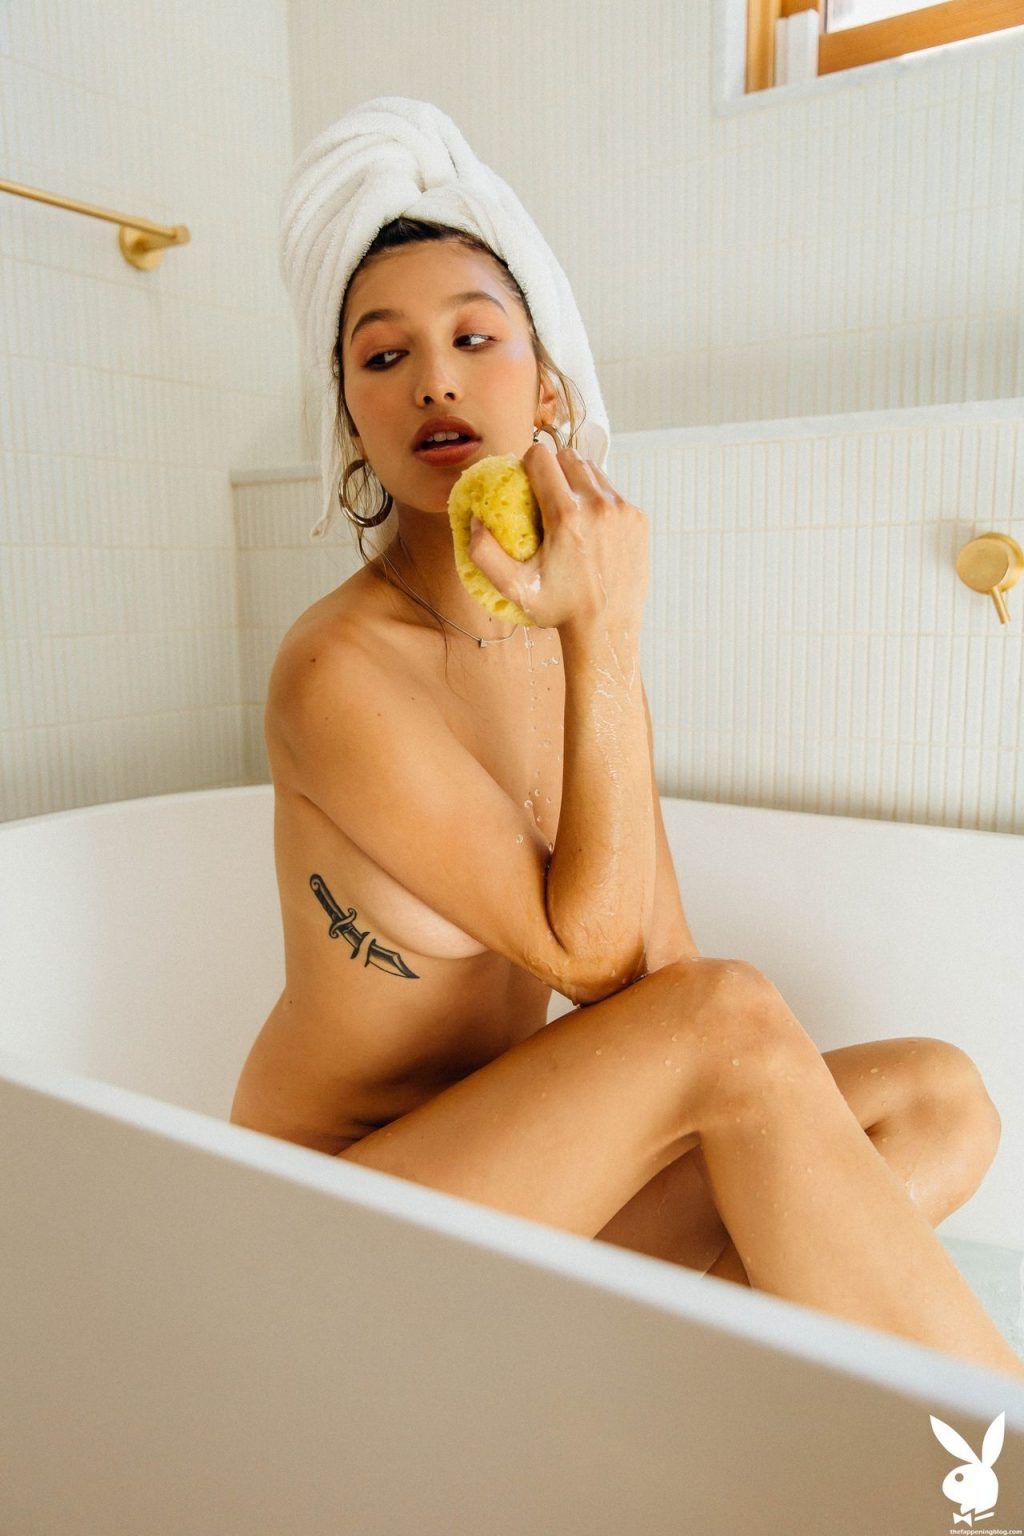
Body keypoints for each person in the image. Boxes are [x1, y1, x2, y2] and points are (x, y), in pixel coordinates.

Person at [230, 106, 1022, 1380]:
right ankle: (989, 1447)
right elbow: (599, 963)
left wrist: (589, 639)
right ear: (352, 418)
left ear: (545, 384)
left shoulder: (569, 636)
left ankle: (672, 1411)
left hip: (526, 1198)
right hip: (340, 1228)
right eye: (382, 357)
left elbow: (659, 978)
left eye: (473, 337)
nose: (433, 380)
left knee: (940, 1101)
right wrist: (605, 632)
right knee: (732, 1025)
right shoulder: (336, 671)